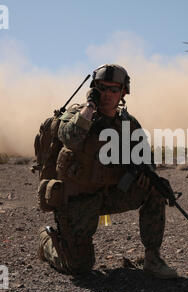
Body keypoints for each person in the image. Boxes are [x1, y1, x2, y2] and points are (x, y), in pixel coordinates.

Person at [38, 64, 178, 279]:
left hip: (110, 194)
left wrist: (145, 175)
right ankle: (47, 242)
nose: (108, 95)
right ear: (94, 89)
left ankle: (153, 258)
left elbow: (146, 158)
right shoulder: (76, 116)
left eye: (114, 90)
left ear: (123, 92)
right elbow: (71, 138)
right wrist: (90, 106)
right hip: (78, 200)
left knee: (156, 188)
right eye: (103, 88)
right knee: (78, 268)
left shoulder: (128, 124)